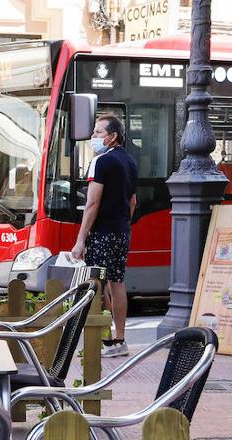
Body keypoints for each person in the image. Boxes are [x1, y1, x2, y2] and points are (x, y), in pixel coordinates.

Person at [72, 114, 138, 358]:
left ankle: (102, 338)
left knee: (96, 285)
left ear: (112, 137)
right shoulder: (130, 161)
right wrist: (123, 223)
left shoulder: (101, 162)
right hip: (122, 230)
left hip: (102, 233)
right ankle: (119, 339)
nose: (93, 137)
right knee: (117, 283)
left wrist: (80, 240)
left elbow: (92, 204)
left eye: (99, 133)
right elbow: (133, 201)